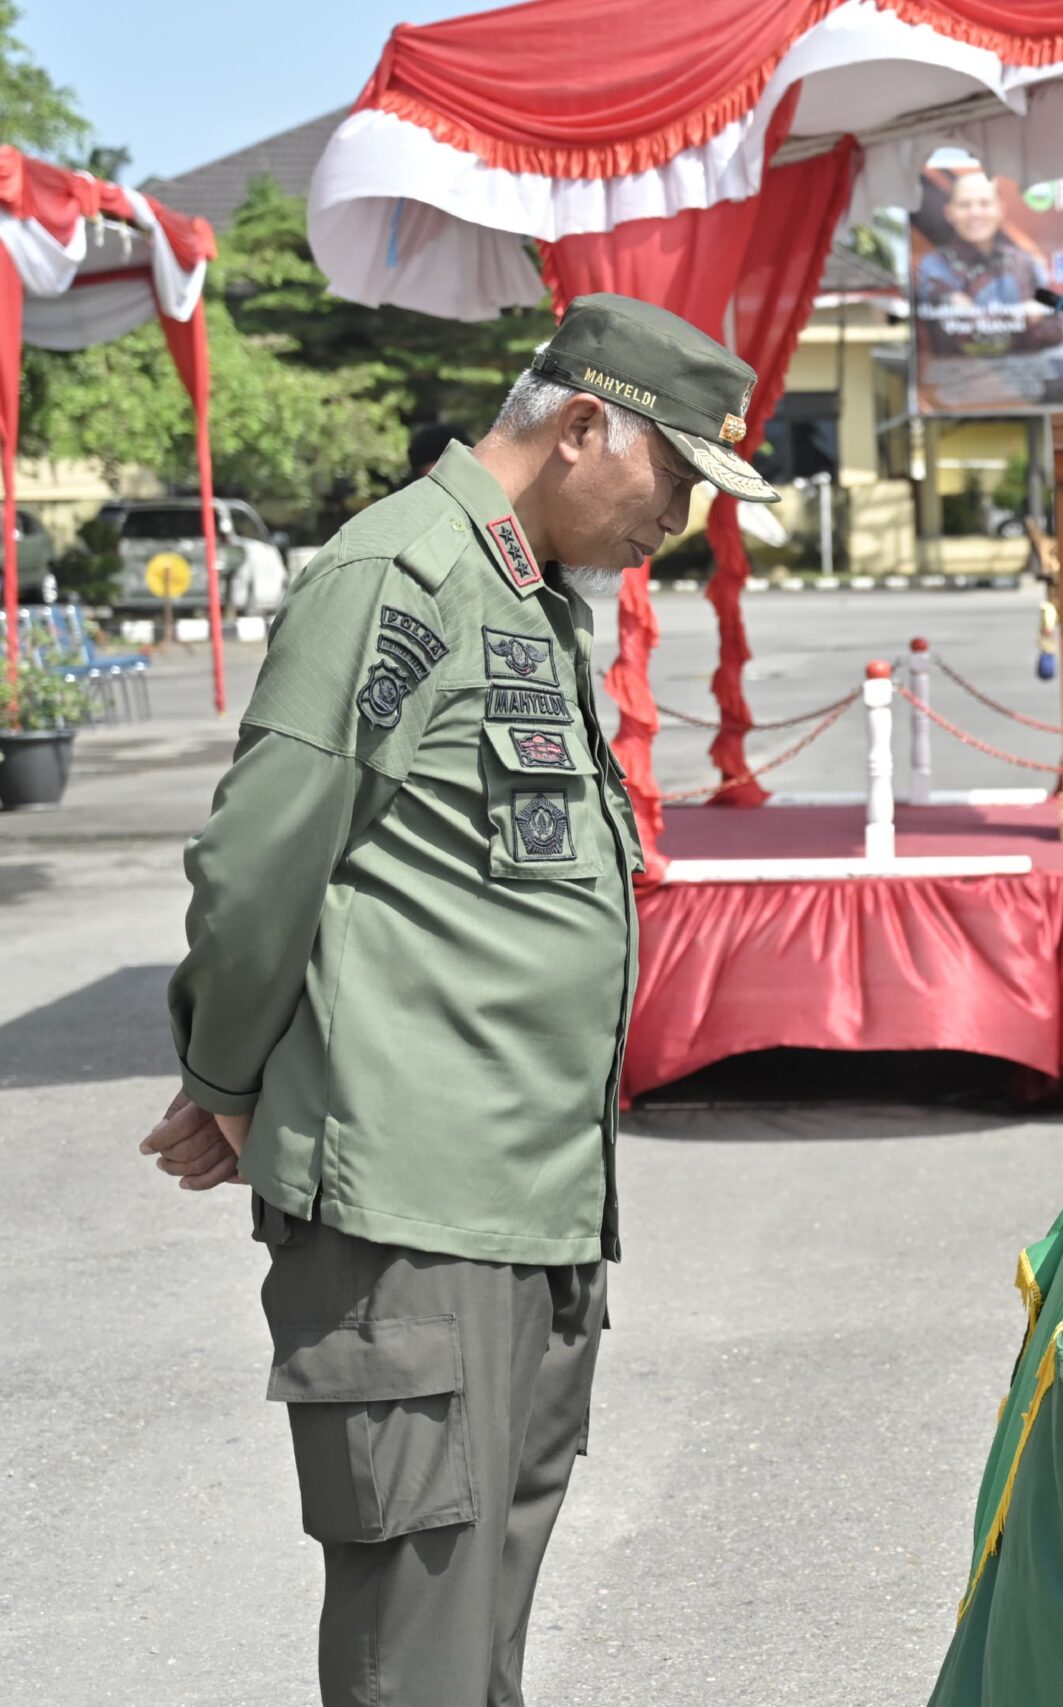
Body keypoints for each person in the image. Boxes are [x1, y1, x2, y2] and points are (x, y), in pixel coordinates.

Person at [140, 294, 781, 1706]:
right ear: (580, 428)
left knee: (479, 1629)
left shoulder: (525, 594)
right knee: (419, 1648)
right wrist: (231, 1079)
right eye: (673, 475)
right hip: (411, 1216)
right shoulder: (401, 576)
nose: (676, 513)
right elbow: (261, 860)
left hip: (524, 1208)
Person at [914, 169, 1063, 357]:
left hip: (1022, 377)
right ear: (948, 212)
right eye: (964, 205)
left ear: (1001, 210)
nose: (975, 213)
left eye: (985, 204)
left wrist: (980, 314)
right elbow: (962, 329)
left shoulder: (1024, 263)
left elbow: (1056, 330)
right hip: (958, 378)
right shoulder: (934, 266)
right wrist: (1026, 316)